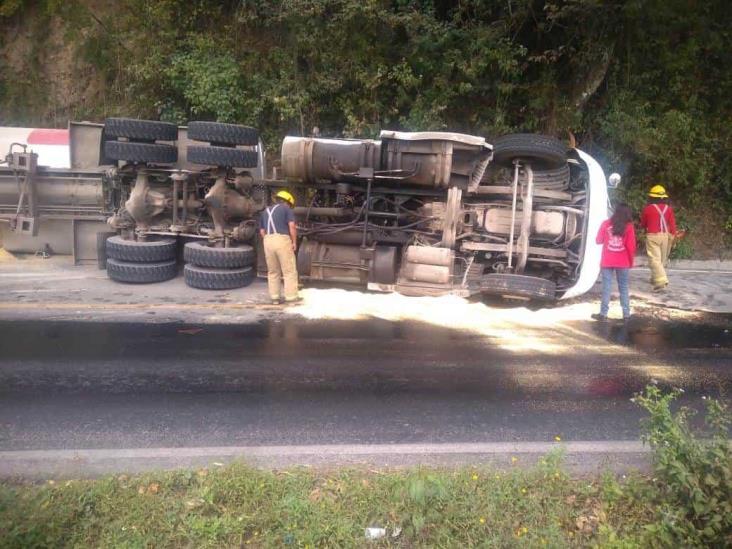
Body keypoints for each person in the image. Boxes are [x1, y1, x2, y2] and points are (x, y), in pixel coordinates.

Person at [592, 203, 636, 321]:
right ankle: (626, 315)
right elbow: (631, 247)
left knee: (606, 287)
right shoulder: (629, 227)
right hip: (623, 262)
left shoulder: (606, 224)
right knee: (623, 288)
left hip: (607, 261)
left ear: (615, 212)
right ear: (627, 213)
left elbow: (598, 240)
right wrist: (630, 262)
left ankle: (603, 314)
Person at [259, 190, 300, 305]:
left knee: (273, 271)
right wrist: (294, 242)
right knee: (289, 271)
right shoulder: (286, 209)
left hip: (268, 240)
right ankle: (291, 298)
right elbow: (292, 226)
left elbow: (262, 231)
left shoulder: (265, 211)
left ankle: (275, 298)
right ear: (287, 202)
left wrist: (269, 240)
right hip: (282, 240)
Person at [640, 185, 677, 291]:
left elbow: (643, 224)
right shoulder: (669, 209)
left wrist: (643, 228)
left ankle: (661, 281)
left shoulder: (647, 209)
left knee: (654, 259)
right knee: (661, 259)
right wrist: (673, 236)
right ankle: (654, 279)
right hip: (666, 236)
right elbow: (672, 224)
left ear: (652, 197)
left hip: (652, 236)